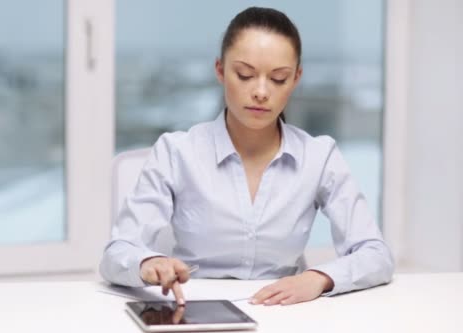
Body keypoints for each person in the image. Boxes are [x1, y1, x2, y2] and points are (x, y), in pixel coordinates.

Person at [100, 7, 394, 306]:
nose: (261, 92)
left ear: (296, 79)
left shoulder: (319, 156)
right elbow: (117, 253)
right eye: (245, 75)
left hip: (287, 312)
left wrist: (317, 279)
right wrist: (147, 263)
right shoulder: (176, 152)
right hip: (195, 309)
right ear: (220, 70)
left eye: (279, 78)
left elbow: (375, 255)